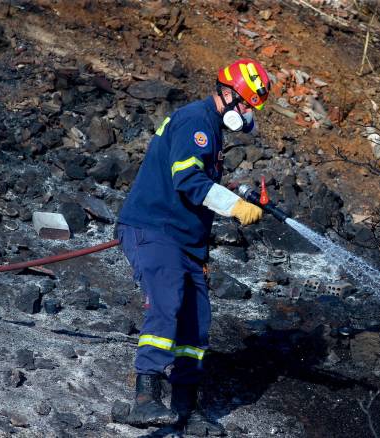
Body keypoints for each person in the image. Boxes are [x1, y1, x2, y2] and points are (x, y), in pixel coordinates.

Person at [115, 59, 271, 433]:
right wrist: (234, 207)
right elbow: (187, 180)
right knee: (166, 302)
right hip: (154, 228)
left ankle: (186, 408)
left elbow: (200, 182)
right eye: (246, 104)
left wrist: (236, 198)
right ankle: (145, 398)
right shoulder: (195, 121)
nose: (248, 113)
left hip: (185, 240)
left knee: (196, 322)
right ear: (228, 94)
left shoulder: (212, 128)